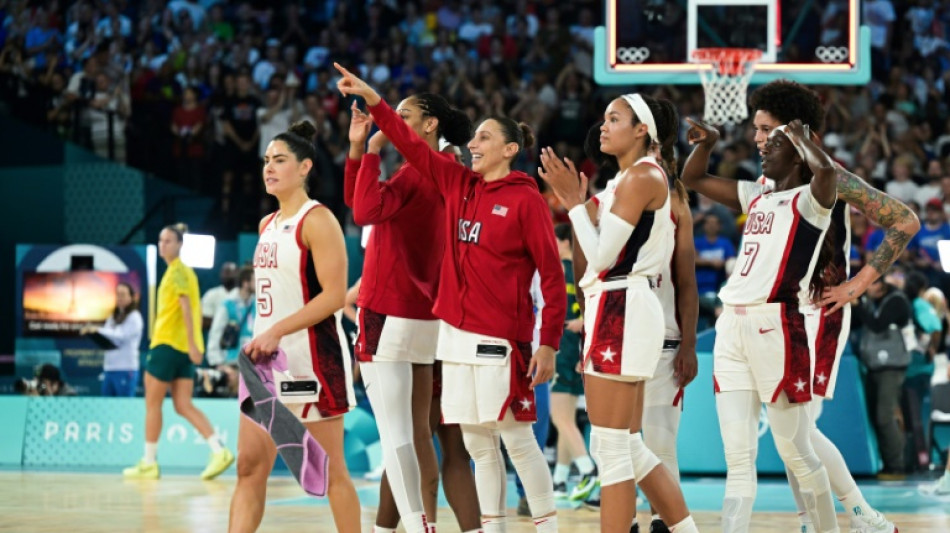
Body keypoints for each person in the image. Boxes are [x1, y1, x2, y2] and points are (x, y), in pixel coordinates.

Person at [335, 62, 565, 532]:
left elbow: (552, 274)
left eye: (483, 138)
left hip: (481, 333)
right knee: (471, 444)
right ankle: (482, 529)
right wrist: (376, 122)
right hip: (451, 334)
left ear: (509, 149)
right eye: (473, 137)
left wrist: (548, 340)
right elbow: (412, 151)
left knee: (505, 441)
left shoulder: (520, 198)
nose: (473, 145)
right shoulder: (459, 184)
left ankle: (542, 526)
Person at [749, 79, 916, 533]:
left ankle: (860, 514)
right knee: (790, 436)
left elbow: (905, 220)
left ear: (795, 130)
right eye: (756, 129)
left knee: (798, 432)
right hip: (776, 313)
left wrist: (857, 285)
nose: (758, 138)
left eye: (766, 129)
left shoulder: (832, 177)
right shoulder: (768, 181)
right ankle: (814, 518)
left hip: (817, 312)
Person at [540, 94, 698, 533]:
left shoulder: (642, 178)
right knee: (627, 447)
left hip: (624, 304)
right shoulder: (622, 183)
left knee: (612, 448)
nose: (604, 126)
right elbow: (588, 262)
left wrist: (574, 203)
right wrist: (578, 206)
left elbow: (603, 259)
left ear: (642, 129)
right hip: (616, 306)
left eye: (615, 119)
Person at [682, 118, 839, 532]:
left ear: (799, 153)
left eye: (774, 141)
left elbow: (827, 173)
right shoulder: (756, 194)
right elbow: (692, 177)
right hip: (730, 326)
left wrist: (803, 137)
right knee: (737, 457)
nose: (762, 146)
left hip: (778, 325)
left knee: (796, 450)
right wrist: (709, 143)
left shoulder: (811, 200)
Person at [343, 91, 473, 533]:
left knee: (398, 438)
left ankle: (420, 528)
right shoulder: (446, 171)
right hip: (426, 317)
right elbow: (360, 199)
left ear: (430, 124)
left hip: (387, 310)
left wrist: (373, 150)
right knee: (418, 434)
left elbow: (363, 210)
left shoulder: (416, 173)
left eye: (404, 116)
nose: (392, 122)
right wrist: (359, 151)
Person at [228, 121, 359, 533]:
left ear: (304, 167)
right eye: (266, 160)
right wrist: (262, 338)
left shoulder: (318, 220)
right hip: (263, 363)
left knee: (333, 471)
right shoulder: (267, 224)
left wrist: (277, 331)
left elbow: (335, 295)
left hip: (311, 361)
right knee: (248, 468)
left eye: (279, 160)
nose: (269, 168)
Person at [123, 223, 234, 481]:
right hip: (183, 349)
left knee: (152, 404)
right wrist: (193, 346)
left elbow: (186, 308)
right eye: (160, 240)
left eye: (168, 241)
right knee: (183, 405)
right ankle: (218, 450)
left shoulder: (177, 272)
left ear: (180, 245)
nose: (163, 245)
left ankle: (149, 462)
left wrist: (195, 345)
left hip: (166, 346)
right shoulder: (185, 273)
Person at [639, 162, 700, 533]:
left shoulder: (677, 202)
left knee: (660, 444)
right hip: (622, 341)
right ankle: (627, 519)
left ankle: (666, 523)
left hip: (664, 342)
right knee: (615, 444)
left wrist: (689, 345)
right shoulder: (617, 197)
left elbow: (688, 284)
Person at [547, 224, 598, 501]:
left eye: (554, 240)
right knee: (566, 418)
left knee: (561, 418)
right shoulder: (584, 273)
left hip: (562, 346)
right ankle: (559, 481)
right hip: (578, 349)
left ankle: (589, 471)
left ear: (565, 242)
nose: (551, 244)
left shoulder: (557, 272)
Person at [206, 266, 256, 395]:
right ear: (245, 283)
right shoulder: (227, 304)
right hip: (231, 362)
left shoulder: (256, 303)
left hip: (251, 362)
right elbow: (215, 333)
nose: (258, 284)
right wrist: (217, 363)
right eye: (255, 280)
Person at [90, 282, 143, 397]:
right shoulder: (112, 318)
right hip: (109, 369)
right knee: (108, 408)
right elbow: (108, 337)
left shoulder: (135, 317)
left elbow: (121, 335)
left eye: (123, 294)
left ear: (131, 297)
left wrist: (98, 330)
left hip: (125, 369)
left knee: (124, 409)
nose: (120, 298)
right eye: (118, 294)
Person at [200, 262, 237, 330]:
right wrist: (224, 323)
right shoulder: (211, 294)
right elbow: (203, 320)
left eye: (231, 273)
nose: (228, 276)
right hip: (216, 336)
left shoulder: (243, 295)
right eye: (226, 272)